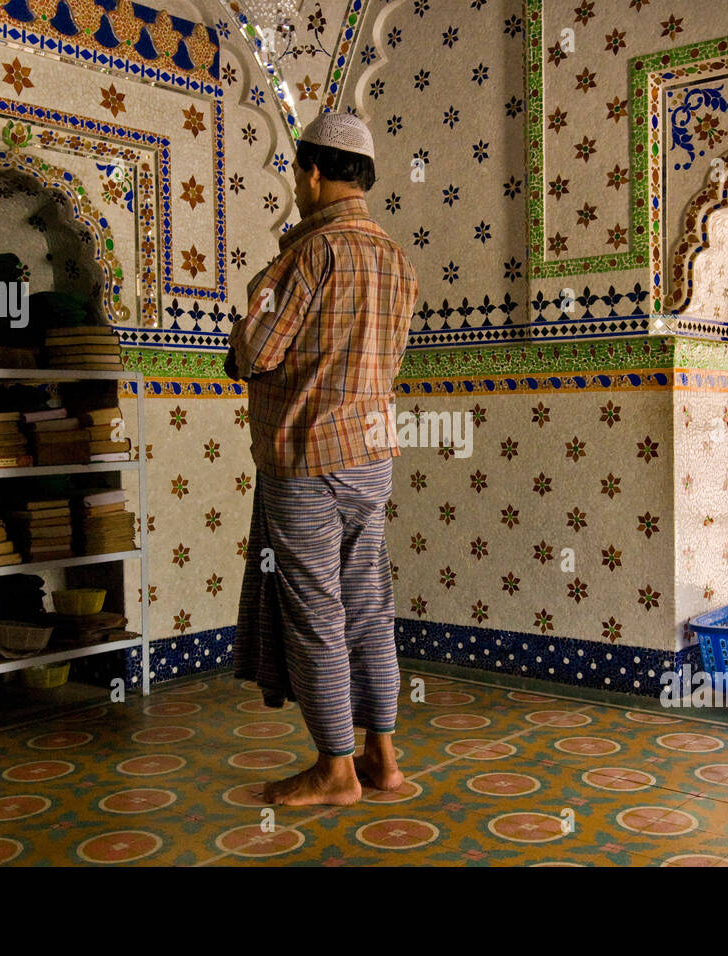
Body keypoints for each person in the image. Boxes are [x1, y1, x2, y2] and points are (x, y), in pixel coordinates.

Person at [227, 112, 419, 807]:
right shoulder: (397, 259)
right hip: (370, 456)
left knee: (316, 614)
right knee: (368, 605)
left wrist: (244, 326)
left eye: (296, 173)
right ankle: (383, 761)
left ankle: (336, 771)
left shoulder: (309, 254)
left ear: (311, 173)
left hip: (307, 458)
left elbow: (255, 351)